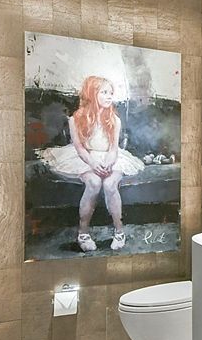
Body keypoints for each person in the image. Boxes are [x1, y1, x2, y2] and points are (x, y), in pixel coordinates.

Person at [39, 76, 144, 252]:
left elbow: (114, 149)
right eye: (104, 92)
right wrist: (93, 163)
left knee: (110, 184)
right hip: (85, 157)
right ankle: (83, 233)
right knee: (94, 183)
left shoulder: (114, 120)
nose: (109, 96)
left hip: (110, 158)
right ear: (92, 93)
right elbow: (79, 148)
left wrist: (109, 163)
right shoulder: (76, 119)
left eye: (111, 93)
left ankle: (119, 231)